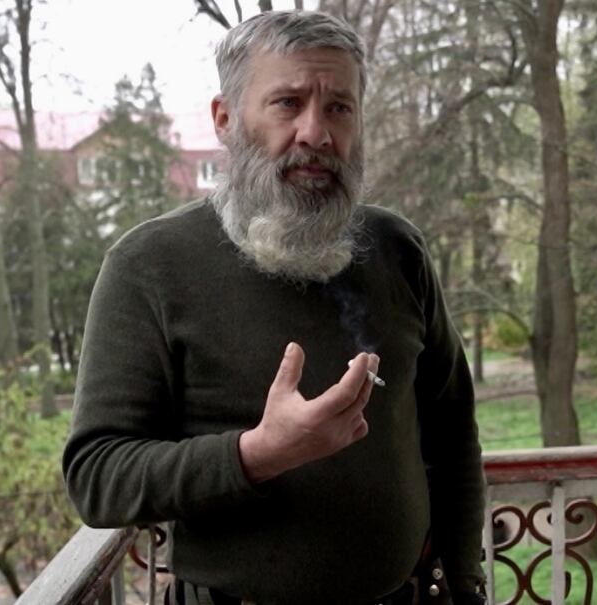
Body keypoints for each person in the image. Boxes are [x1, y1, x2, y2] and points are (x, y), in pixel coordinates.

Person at [63, 10, 486, 605]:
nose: (316, 132)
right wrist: (258, 454)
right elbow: (97, 477)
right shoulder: (148, 265)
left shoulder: (397, 249)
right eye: (288, 103)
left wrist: (465, 578)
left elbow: (450, 429)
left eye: (339, 107)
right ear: (226, 119)